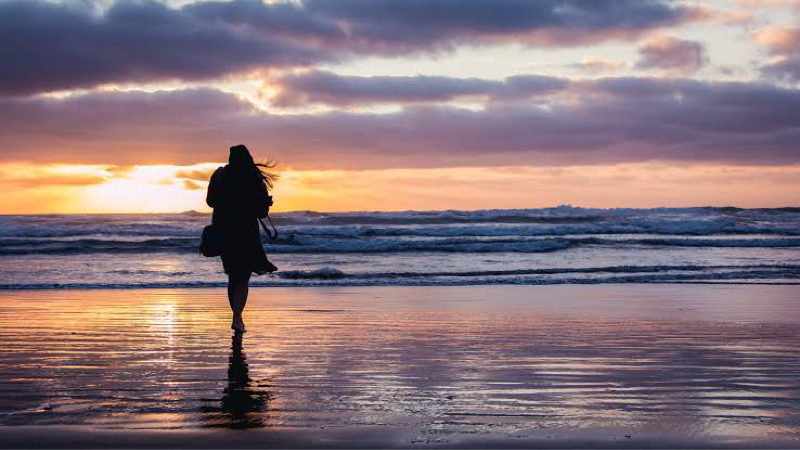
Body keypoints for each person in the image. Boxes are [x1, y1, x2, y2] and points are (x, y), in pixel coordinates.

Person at [206, 145, 278, 333]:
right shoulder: (254, 178)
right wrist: (264, 204)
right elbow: (261, 212)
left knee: (233, 274)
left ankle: (237, 317)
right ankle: (237, 317)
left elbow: (210, 201)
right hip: (247, 232)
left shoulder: (220, 175)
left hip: (225, 229)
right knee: (242, 278)